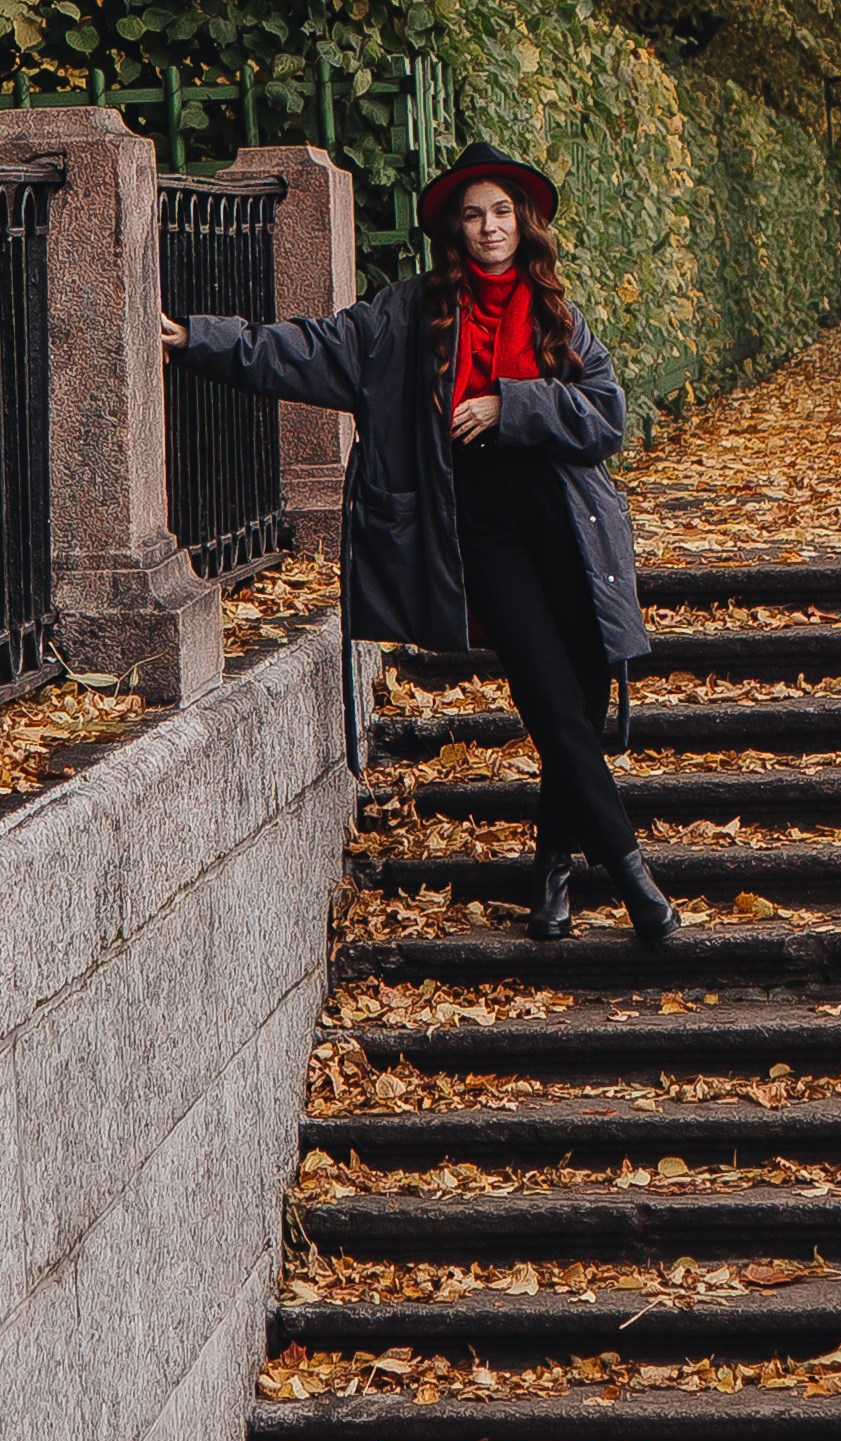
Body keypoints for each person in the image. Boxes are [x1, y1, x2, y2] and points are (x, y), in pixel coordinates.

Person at [161, 140, 678, 945]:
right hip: (479, 534)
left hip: (568, 530)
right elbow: (307, 349)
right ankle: (634, 872)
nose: (489, 227)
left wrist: (515, 405)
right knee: (545, 695)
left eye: (502, 211)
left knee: (571, 704)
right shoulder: (407, 315)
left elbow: (604, 418)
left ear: (524, 221)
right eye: (473, 215)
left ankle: (551, 871)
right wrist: (201, 338)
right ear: (453, 230)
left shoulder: (558, 317)